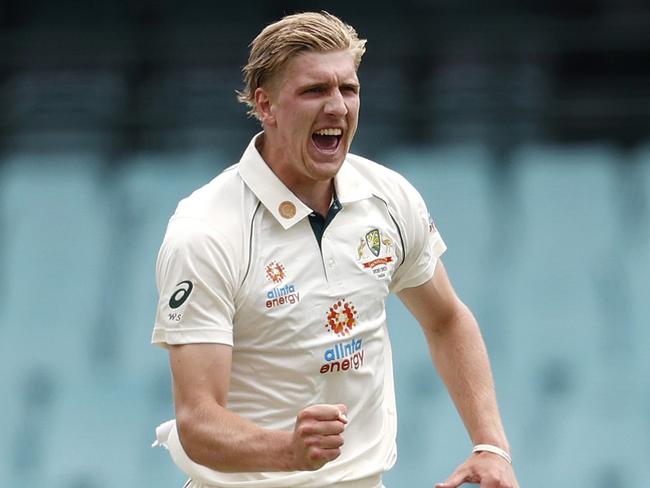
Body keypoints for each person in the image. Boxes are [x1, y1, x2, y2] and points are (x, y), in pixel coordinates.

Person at [151, 11, 519, 488]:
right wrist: (287, 451)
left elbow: (446, 319)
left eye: (349, 89)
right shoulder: (207, 231)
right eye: (314, 91)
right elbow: (197, 421)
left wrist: (490, 445)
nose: (338, 107)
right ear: (266, 105)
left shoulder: (388, 197)